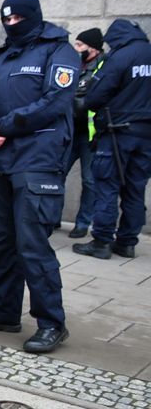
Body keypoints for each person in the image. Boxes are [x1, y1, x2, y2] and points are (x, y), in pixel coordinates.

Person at [0, 0, 76, 354]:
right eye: (6, 19)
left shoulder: (59, 51)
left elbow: (55, 101)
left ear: (34, 15)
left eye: (18, 19)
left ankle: (51, 322)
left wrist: (5, 126)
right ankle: (5, 311)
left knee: (32, 245)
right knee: (1, 242)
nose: (12, 25)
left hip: (37, 160)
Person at [74, 19, 151, 260]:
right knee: (136, 187)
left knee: (107, 185)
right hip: (147, 134)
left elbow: (96, 96)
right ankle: (127, 242)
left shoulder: (120, 56)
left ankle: (102, 241)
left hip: (118, 131)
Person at [65, 28, 104, 239]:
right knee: (57, 173)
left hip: (90, 135)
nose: (76, 48)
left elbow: (91, 97)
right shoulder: (74, 64)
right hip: (70, 130)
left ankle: (82, 223)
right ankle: (51, 219)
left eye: (80, 45)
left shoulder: (103, 65)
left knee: (89, 181)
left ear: (93, 48)